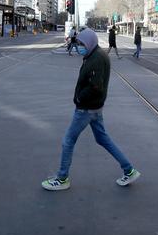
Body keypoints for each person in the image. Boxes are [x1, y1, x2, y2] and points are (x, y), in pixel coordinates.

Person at [42, 28, 140, 191]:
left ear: (89, 43)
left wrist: (80, 98)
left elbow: (96, 87)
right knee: (102, 139)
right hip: (96, 107)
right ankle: (128, 169)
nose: (80, 46)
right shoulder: (95, 54)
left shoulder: (95, 59)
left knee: (68, 141)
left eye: (82, 44)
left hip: (86, 109)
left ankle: (62, 178)